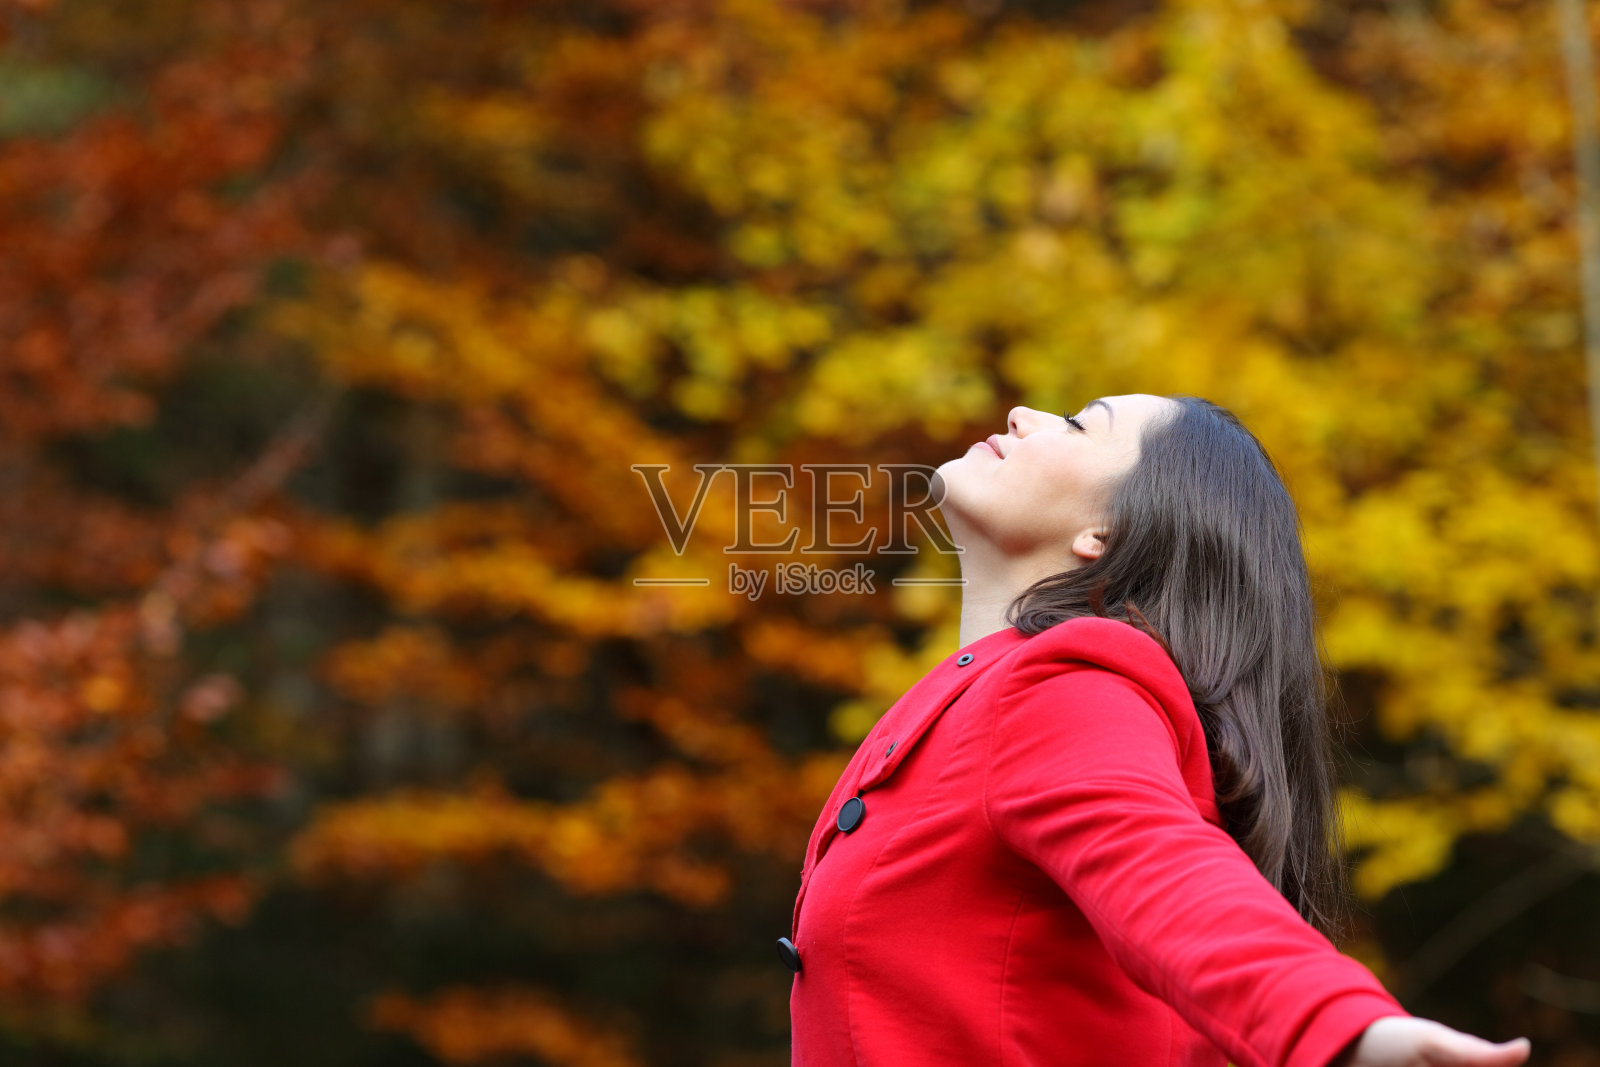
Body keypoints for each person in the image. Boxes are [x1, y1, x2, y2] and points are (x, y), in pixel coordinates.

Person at [782, 394, 1533, 1067]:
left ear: (1109, 530)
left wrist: (1338, 1028)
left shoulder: (1063, 685)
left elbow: (1166, 869)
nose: (1021, 415)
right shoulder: (976, 697)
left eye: (1078, 425)